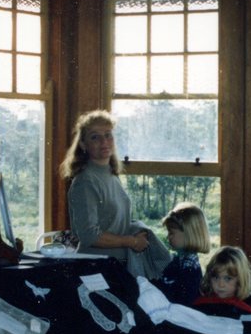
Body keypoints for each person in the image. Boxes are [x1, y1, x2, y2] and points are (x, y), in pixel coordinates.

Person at [59, 110, 170, 278]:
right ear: (83, 144)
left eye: (108, 135)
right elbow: (90, 236)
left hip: (116, 264)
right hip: (96, 267)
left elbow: (114, 221)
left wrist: (138, 232)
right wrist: (131, 242)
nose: (104, 141)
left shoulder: (111, 174)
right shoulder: (85, 181)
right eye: (95, 137)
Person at [158, 202, 211, 306]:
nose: (168, 237)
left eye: (171, 233)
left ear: (188, 234)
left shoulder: (190, 267)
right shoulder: (178, 261)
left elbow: (184, 299)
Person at [192, 246, 251, 317]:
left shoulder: (246, 312)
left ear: (240, 280)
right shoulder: (200, 305)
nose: (221, 284)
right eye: (216, 277)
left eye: (228, 278)